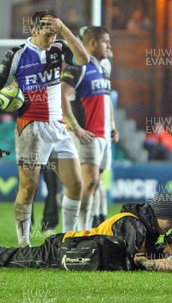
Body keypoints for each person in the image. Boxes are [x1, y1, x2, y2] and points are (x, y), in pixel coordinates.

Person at [0, 10, 89, 247]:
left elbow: (84, 60)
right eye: (47, 33)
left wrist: (65, 30)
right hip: (31, 127)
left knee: (75, 184)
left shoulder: (59, 48)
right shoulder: (17, 54)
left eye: (53, 33)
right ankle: (23, 243)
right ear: (33, 31)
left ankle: (67, 238)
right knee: (29, 187)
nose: (51, 38)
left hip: (58, 126)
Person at [0, 193, 172, 269]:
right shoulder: (133, 224)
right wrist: (171, 261)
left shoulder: (141, 224)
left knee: (9, 256)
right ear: (161, 217)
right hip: (60, 250)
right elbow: (136, 260)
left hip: (69, 248)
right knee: (6, 258)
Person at [60, 26, 119, 231]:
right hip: (88, 134)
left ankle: (86, 228)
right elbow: (62, 96)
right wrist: (75, 128)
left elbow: (106, 99)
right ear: (93, 43)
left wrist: (112, 126)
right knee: (89, 181)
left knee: (94, 185)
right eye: (106, 42)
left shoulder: (103, 68)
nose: (109, 46)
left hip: (103, 135)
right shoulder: (79, 66)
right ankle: (76, 230)